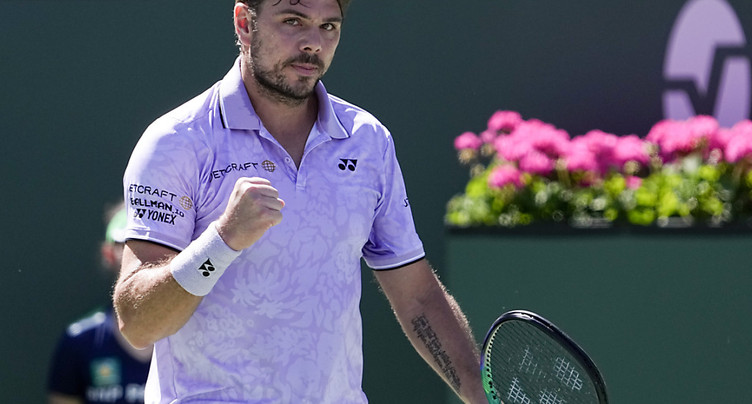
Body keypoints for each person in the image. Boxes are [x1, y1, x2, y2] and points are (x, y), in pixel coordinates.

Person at [113, 0, 486, 402]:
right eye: (293, 21)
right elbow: (139, 324)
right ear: (244, 23)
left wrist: (481, 396)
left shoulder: (367, 142)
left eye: (329, 26)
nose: (313, 43)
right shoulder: (176, 142)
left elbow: (418, 298)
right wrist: (222, 241)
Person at [48, 204, 152, 404]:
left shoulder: (199, 337)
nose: (141, 253)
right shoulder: (79, 340)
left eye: (151, 241)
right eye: (127, 244)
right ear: (109, 254)